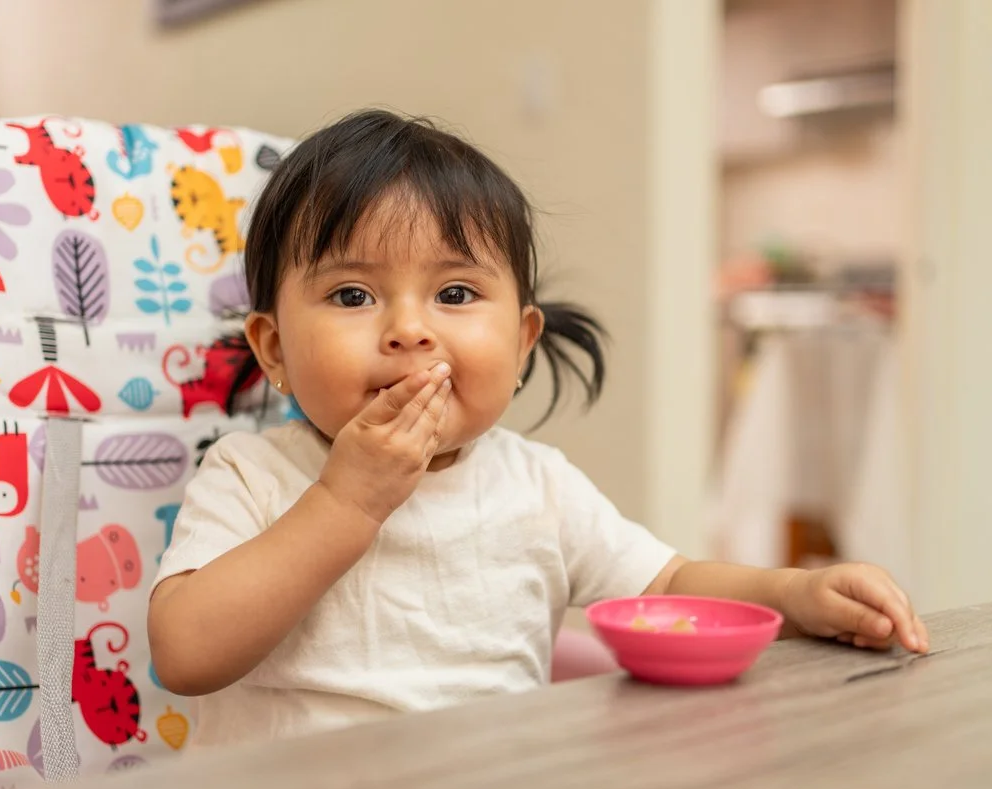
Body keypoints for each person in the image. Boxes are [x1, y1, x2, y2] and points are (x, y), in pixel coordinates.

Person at [147, 109, 928, 747]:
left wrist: (796, 593)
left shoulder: (537, 486)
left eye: (455, 294)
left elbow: (669, 586)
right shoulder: (252, 473)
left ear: (521, 343)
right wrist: (346, 505)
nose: (410, 329)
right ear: (275, 349)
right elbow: (185, 654)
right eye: (353, 296)